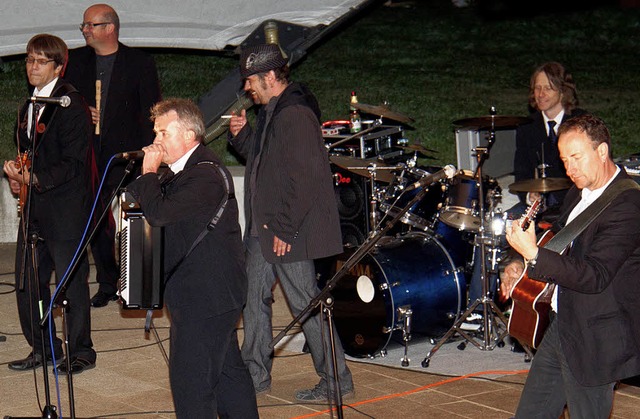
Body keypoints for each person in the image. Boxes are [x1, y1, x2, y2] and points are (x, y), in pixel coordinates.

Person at [228, 44, 354, 401]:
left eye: (251, 80)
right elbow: (268, 161)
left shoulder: (295, 113)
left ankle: (336, 379)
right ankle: (254, 374)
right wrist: (241, 137)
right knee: (253, 297)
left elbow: (306, 177)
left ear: (270, 76)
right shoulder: (272, 110)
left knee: (304, 304)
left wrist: (284, 227)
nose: (247, 87)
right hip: (264, 227)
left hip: (286, 229)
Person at [125, 98, 258, 418]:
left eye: (163, 134)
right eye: (155, 133)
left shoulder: (206, 175)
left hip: (206, 299)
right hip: (208, 297)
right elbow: (142, 199)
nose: (156, 141)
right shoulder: (181, 172)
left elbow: (159, 215)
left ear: (189, 135)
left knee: (192, 389)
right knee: (228, 377)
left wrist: (147, 171)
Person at [501, 114, 640, 417]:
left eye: (576, 157)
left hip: (596, 336)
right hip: (563, 325)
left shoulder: (628, 205)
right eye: (565, 160)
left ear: (602, 151)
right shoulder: (579, 191)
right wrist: (520, 261)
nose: (569, 168)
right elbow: (560, 241)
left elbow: (594, 275)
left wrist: (534, 254)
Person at [464, 62, 586, 328]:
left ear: (563, 91)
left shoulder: (579, 123)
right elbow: (520, 173)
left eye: (548, 88)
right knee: (493, 227)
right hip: (535, 205)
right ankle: (478, 306)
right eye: (537, 88)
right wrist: (529, 193)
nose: (540, 94)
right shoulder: (528, 127)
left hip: (570, 204)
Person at [3, 34, 96, 374]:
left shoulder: (71, 105)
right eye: (29, 59)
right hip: (35, 208)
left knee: (71, 283)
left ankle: (82, 351)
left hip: (66, 209)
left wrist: (35, 179)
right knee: (29, 282)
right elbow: (31, 152)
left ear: (58, 66)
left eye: (41, 61)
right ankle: (45, 347)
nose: (32, 67)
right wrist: (18, 173)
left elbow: (74, 162)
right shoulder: (28, 104)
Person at [65, 3, 162, 308]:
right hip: (89, 155)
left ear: (109, 28)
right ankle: (107, 282)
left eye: (90, 25)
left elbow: (151, 110)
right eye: (83, 25)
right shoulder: (75, 61)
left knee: (135, 221)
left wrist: (148, 154)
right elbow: (64, 98)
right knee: (96, 222)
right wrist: (82, 112)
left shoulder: (138, 62)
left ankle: (137, 284)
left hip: (126, 156)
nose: (84, 30)